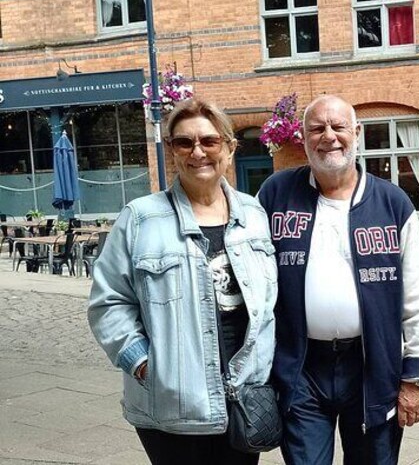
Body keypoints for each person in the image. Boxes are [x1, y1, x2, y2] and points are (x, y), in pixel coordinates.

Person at [88, 99, 278, 465]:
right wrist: (143, 364)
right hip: (171, 398)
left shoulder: (254, 214)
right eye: (184, 142)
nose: (198, 152)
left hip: (243, 394)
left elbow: (271, 304)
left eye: (209, 141)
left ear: (229, 147)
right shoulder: (141, 218)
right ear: (172, 150)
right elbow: (107, 301)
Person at [257, 95, 419, 465]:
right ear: (302, 138)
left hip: (372, 366)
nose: (328, 137)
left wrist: (414, 376)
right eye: (317, 128)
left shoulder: (393, 203)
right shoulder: (275, 194)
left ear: (357, 132)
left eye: (338, 127)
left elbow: (416, 297)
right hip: (301, 366)